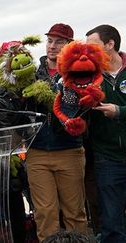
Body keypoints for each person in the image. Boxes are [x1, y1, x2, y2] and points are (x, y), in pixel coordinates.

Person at [27, 23, 88, 242]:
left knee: (75, 214)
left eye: (59, 41)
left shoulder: (80, 73)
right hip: (37, 151)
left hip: (69, 150)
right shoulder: (31, 74)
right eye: (50, 40)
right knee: (45, 214)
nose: (52, 46)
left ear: (69, 45)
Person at [86, 24, 126, 243]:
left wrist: (118, 111)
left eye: (93, 46)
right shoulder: (88, 75)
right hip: (107, 159)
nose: (87, 52)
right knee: (111, 222)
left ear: (110, 44)